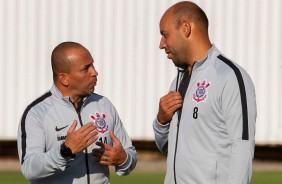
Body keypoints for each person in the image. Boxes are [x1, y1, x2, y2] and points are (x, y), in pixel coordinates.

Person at [153, 1, 256, 184]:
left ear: (185, 28)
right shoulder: (177, 82)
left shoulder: (229, 77)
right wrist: (161, 122)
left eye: (165, 35)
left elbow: (242, 147)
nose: (161, 44)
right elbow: (169, 149)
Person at [17, 41, 137, 184]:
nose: (95, 72)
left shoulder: (104, 105)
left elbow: (129, 154)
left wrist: (124, 159)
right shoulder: (37, 113)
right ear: (64, 78)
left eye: (93, 65)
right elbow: (29, 169)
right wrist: (65, 151)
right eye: (86, 68)